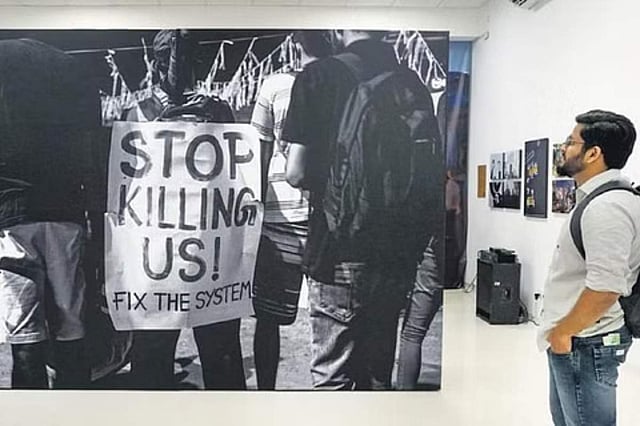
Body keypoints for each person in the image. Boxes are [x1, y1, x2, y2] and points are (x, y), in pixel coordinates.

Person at [283, 29, 442, 390]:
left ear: (338, 30)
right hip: (395, 253)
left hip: (337, 247)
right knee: (376, 372)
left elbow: (296, 173)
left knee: (333, 374)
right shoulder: (411, 83)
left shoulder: (318, 76)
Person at [128, 30, 245, 390]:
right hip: (173, 256)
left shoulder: (142, 112)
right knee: (168, 353)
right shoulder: (141, 114)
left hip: (193, 254)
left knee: (208, 353)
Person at [0, 39, 98, 388]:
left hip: (10, 216)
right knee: (72, 328)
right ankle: (75, 408)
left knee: (24, 335)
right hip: (65, 212)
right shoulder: (72, 67)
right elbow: (91, 148)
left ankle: (30, 411)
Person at [540, 110, 639, 425]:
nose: (564, 148)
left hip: (586, 341)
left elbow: (606, 287)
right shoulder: (598, 200)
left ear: (593, 153)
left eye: (571, 142)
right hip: (578, 339)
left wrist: (563, 333)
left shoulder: (607, 207)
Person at [249, 30, 331, 390]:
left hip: (282, 215)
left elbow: (259, 152)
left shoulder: (275, 85)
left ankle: (267, 392)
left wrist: (256, 208)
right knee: (323, 321)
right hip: (318, 214)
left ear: (295, 42)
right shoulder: (339, 84)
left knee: (270, 319)